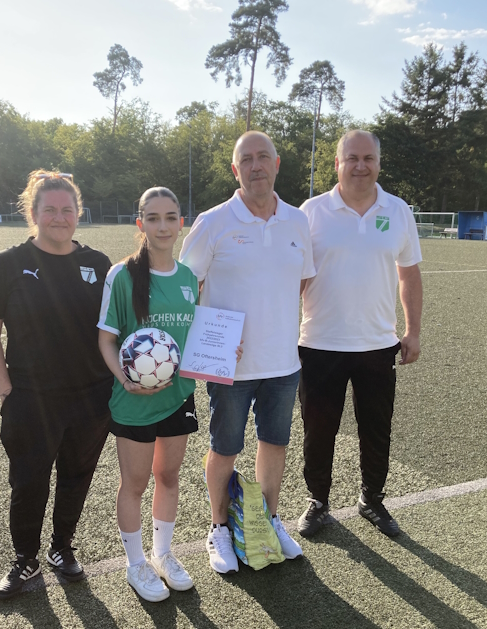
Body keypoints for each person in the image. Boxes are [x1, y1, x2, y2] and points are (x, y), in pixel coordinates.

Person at [180, 131, 315, 574]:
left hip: (283, 363)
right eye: (247, 160)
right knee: (225, 448)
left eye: (263, 157)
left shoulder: (297, 221)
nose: (256, 166)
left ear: (277, 164)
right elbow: (184, 288)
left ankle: (268, 520)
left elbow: (300, 281)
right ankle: (219, 527)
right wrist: (209, 338)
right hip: (230, 366)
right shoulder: (213, 221)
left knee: (274, 444)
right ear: (235, 170)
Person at [0, 171, 113, 599]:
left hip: (91, 397)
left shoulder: (98, 264)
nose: (58, 217)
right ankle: (25, 560)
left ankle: (61, 548)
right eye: (49, 209)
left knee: (77, 476)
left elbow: (117, 330)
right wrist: (6, 390)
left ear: (78, 213)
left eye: (66, 209)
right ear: (33, 214)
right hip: (31, 399)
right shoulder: (8, 263)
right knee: (29, 481)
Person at [296, 130, 423, 539]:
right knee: (319, 429)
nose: (361, 165)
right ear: (338, 163)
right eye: (352, 158)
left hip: (377, 344)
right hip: (318, 344)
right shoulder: (311, 212)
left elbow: (409, 273)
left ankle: (372, 499)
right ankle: (318, 501)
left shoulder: (399, 210)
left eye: (368, 158)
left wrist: (413, 330)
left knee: (376, 428)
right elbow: (293, 279)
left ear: (379, 164)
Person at [98, 187, 206, 602]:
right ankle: (135, 564)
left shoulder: (187, 277)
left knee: (169, 476)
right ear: (140, 224)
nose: (163, 226)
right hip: (133, 400)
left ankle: (162, 554)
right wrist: (125, 380)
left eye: (171, 217)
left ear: (182, 223)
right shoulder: (121, 275)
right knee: (136, 482)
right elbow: (107, 340)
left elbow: (192, 339)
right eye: (154, 218)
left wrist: (222, 352)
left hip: (178, 396)